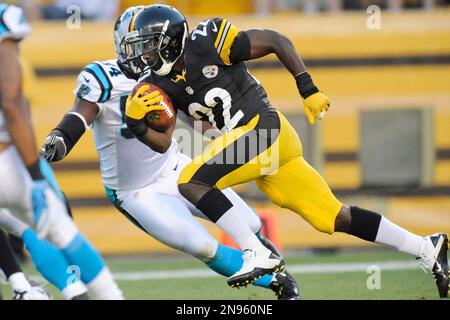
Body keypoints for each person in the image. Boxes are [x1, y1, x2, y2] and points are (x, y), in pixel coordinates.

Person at [123, 4, 448, 297]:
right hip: (263, 145)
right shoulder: (160, 85)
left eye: (148, 46)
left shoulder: (206, 41)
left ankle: (256, 251)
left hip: (263, 129)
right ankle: (425, 247)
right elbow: (171, 139)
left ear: (170, 40)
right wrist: (138, 124)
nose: (144, 55)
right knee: (332, 217)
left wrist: (307, 87)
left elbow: (276, 39)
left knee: (191, 180)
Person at [40, 6, 300, 300]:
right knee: (201, 245)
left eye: (149, 45)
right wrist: (61, 136)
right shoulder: (103, 76)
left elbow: (193, 116)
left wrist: (225, 137)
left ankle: (277, 270)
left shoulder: (168, 74)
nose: (144, 53)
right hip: (136, 191)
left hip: (174, 167)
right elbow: (80, 115)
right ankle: (281, 285)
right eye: (139, 45)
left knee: (251, 223)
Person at [0, 3, 123, 300]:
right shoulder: (6, 50)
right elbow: (13, 106)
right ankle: (94, 294)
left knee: (23, 225)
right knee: (55, 228)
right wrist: (36, 177)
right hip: (4, 164)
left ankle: (23, 288)